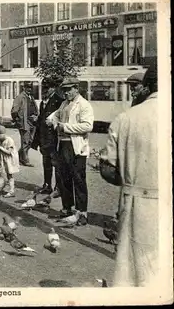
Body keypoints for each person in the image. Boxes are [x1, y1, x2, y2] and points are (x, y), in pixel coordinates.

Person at [99, 64, 159, 287]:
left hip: (137, 203)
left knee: (134, 274)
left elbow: (109, 170)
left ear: (148, 85)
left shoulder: (126, 118)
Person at [46, 77, 94, 226]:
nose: (65, 93)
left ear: (76, 89)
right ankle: (67, 208)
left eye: (68, 90)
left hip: (77, 147)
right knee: (64, 178)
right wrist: (51, 119)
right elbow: (56, 115)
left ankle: (82, 213)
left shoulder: (84, 105)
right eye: (64, 90)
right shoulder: (64, 104)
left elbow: (87, 126)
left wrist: (64, 127)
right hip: (63, 145)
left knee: (78, 179)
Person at [32, 80, 64, 196]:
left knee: (56, 163)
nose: (45, 90)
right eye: (44, 88)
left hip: (54, 138)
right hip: (44, 138)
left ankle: (58, 187)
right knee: (46, 163)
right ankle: (47, 185)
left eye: (48, 88)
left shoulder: (59, 101)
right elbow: (41, 120)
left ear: (53, 88)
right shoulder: (43, 102)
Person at [11, 81, 39, 167]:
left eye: (30, 88)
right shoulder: (20, 97)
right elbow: (14, 111)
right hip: (24, 122)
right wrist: (17, 120)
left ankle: (18, 157)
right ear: (24, 88)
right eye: (27, 87)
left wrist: (36, 115)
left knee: (30, 141)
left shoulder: (31, 97)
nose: (29, 89)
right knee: (25, 142)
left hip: (32, 122)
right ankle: (25, 160)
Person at [0, 124, 20, 198]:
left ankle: (11, 191)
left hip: (10, 159)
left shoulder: (9, 140)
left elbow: (9, 152)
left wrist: (1, 148)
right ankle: (1, 186)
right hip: (2, 158)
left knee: (9, 174)